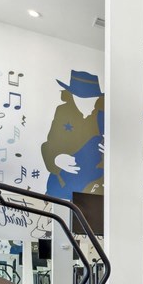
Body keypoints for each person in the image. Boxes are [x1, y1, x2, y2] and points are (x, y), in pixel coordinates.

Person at [41, 70, 105, 200]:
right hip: (62, 184)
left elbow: (135, 150)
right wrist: (57, 159)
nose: (88, 103)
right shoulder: (62, 111)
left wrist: (113, 152)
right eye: (81, 98)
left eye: (92, 99)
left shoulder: (103, 116)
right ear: (72, 96)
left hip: (93, 186)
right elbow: (48, 145)